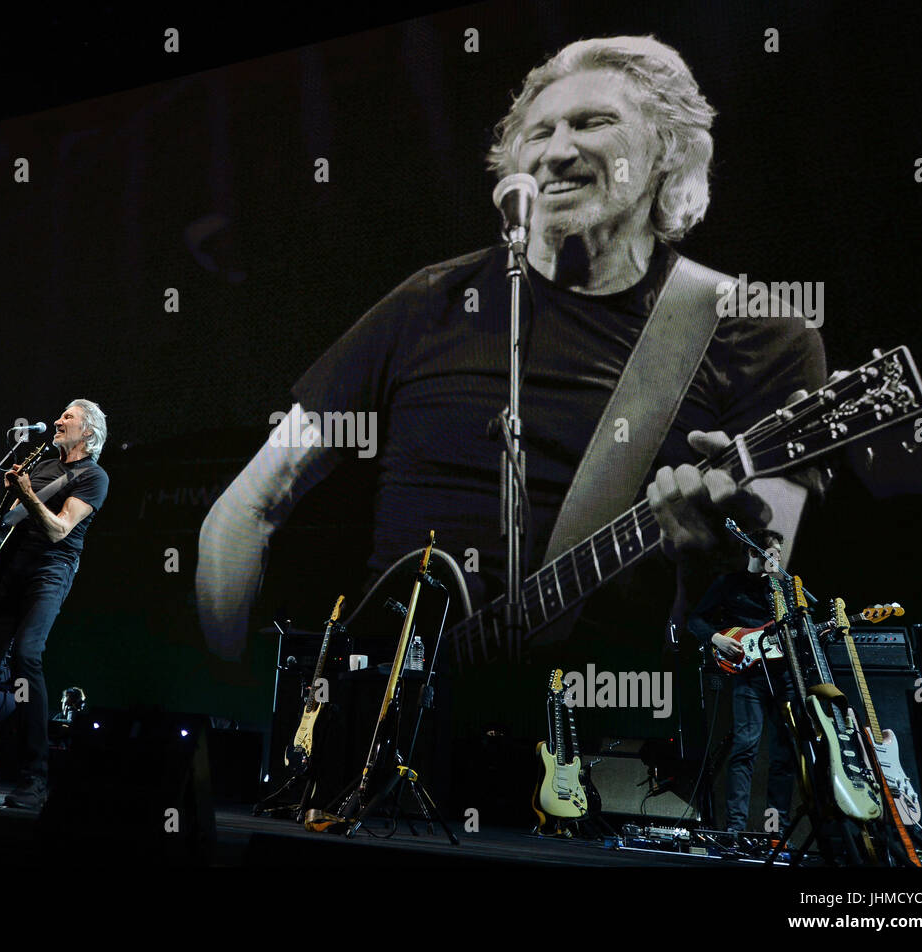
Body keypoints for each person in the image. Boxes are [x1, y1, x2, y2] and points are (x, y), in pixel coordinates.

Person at [196, 36, 825, 672]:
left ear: (667, 153)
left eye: (592, 123)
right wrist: (235, 710)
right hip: (383, 737)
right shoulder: (429, 303)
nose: (557, 151)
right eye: (539, 132)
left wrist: (707, 569)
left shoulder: (754, 328)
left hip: (610, 746)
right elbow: (246, 510)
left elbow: (756, 618)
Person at [0, 401, 109, 809]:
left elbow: (59, 529)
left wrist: (27, 493)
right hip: (10, 566)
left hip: (51, 569)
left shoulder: (94, 477)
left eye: (68, 417)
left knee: (27, 657)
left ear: (88, 432)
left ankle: (35, 779)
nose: (58, 420)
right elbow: (9, 516)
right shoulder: (44, 464)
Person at [687, 530, 795, 834]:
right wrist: (716, 638)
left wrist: (777, 584)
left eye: (778, 554)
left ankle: (778, 831)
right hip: (748, 675)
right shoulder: (728, 584)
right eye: (769, 554)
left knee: (783, 752)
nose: (775, 560)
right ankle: (735, 828)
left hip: (783, 676)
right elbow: (695, 619)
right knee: (745, 746)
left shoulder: (783, 589)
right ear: (752, 553)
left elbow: (800, 625)